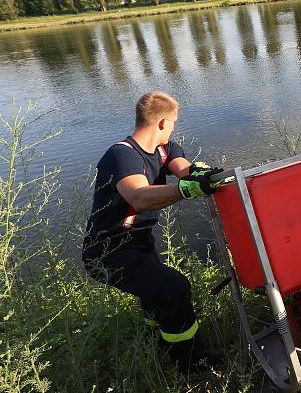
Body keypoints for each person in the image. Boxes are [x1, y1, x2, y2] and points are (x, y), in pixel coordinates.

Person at [82, 91, 225, 372]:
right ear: (161, 123)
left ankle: (158, 341)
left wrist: (200, 175)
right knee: (173, 288)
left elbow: (184, 169)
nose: (173, 128)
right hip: (107, 250)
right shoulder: (120, 156)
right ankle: (190, 363)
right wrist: (185, 191)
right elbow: (140, 197)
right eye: (173, 123)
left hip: (139, 242)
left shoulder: (165, 149)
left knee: (155, 294)